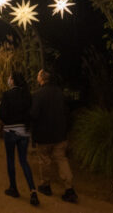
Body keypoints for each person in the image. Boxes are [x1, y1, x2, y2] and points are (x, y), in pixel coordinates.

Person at [31, 68, 78, 203]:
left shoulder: (38, 95)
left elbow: (33, 114)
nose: (36, 77)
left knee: (44, 160)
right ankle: (69, 189)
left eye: (38, 75)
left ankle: (46, 185)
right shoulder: (60, 93)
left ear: (42, 78)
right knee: (62, 160)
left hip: (43, 135)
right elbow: (67, 112)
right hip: (60, 134)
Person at [0, 71, 39, 206]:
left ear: (13, 81)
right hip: (24, 132)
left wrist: (9, 122)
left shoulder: (7, 95)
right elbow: (31, 114)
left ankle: (13, 188)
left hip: (10, 132)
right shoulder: (27, 95)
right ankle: (33, 190)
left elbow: (2, 114)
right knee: (24, 161)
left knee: (11, 160)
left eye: (9, 78)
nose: (8, 80)